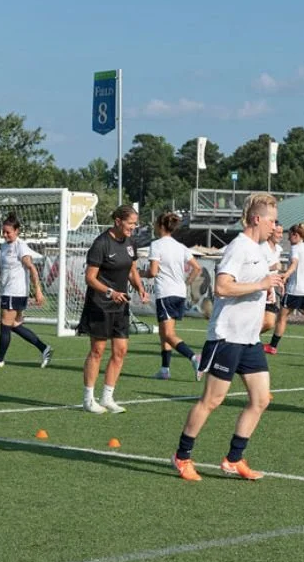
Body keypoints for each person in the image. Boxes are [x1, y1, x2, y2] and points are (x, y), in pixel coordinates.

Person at [172, 193, 283, 481]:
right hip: (226, 338)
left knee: (260, 399)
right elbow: (222, 287)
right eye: (272, 219)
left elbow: (248, 284)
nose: (275, 225)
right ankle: (182, 456)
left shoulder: (259, 250)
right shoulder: (239, 247)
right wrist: (260, 283)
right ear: (257, 219)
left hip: (249, 340)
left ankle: (234, 459)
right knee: (212, 401)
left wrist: (265, 288)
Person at [78, 205, 149, 413]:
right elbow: (89, 278)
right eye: (130, 223)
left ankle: (107, 397)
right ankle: (88, 399)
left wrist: (140, 288)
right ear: (118, 221)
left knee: (120, 351)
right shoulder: (101, 243)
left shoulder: (130, 242)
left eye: (135, 224)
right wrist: (110, 292)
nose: (133, 228)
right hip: (100, 304)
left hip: (121, 304)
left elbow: (132, 269)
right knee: (97, 351)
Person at [0, 214, 52, 369]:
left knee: (5, 325)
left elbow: (31, 268)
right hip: (7, 291)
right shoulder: (4, 247)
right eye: (3, 232)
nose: (5, 235)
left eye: (8, 232)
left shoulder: (20, 246)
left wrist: (38, 290)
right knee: (14, 325)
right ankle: (44, 348)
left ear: (17, 231)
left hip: (15, 292)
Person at [143, 211, 201, 380]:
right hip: (179, 293)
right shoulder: (180, 246)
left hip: (166, 293)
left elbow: (153, 272)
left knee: (168, 334)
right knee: (164, 331)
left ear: (161, 226)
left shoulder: (157, 245)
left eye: (155, 223)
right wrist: (186, 283)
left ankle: (194, 358)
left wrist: (140, 273)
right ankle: (164, 369)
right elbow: (197, 268)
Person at [266, 223, 304, 357]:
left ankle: (272, 346)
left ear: (296, 235)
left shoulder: (295, 248)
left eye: (290, 236)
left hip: (295, 291)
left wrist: (286, 275)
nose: (288, 239)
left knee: (281, 318)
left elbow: (294, 264)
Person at [259, 220, 286, 352]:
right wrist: (272, 267)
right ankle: (243, 339)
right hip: (259, 288)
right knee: (261, 319)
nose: (281, 235)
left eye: (282, 232)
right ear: (271, 233)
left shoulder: (278, 250)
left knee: (269, 322)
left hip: (270, 289)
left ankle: (247, 338)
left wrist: (279, 281)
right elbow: (256, 269)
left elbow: (274, 271)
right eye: (278, 232)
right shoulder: (262, 248)